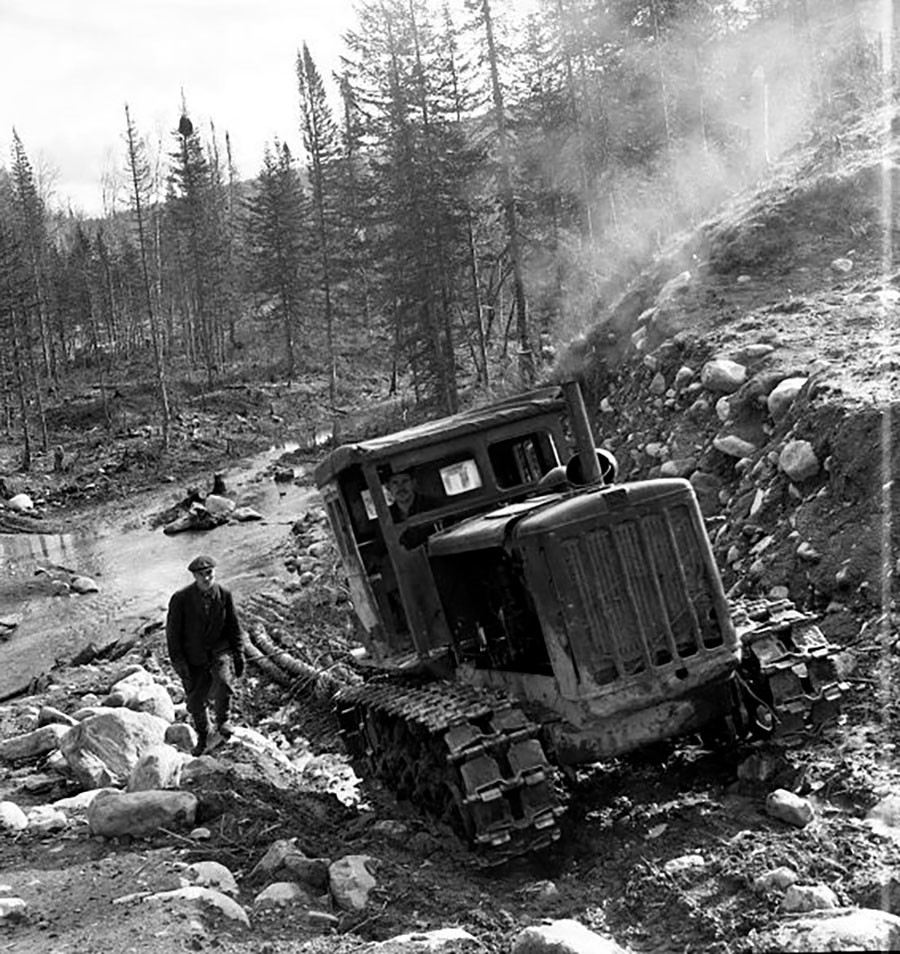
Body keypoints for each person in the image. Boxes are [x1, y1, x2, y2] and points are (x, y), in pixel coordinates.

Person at [166, 555, 245, 755]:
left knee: (223, 682)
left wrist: (239, 654)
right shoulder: (180, 599)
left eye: (209, 573)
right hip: (193, 657)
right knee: (195, 701)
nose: (206, 578)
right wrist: (178, 661)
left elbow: (233, 627)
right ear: (194, 576)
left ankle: (223, 721)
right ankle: (203, 736)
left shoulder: (224, 594)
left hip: (219, 650)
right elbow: (172, 634)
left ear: (214, 572)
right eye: (201, 575)